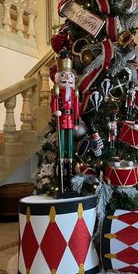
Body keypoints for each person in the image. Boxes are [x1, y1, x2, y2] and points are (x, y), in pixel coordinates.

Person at [51, 50, 79, 192]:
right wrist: (55, 111)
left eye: (69, 75)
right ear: (58, 77)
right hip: (61, 120)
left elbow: (76, 108)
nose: (67, 77)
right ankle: (62, 170)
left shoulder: (74, 93)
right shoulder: (57, 91)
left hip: (70, 121)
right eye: (63, 75)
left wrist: (76, 123)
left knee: (69, 144)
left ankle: (70, 165)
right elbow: (54, 102)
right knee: (62, 143)